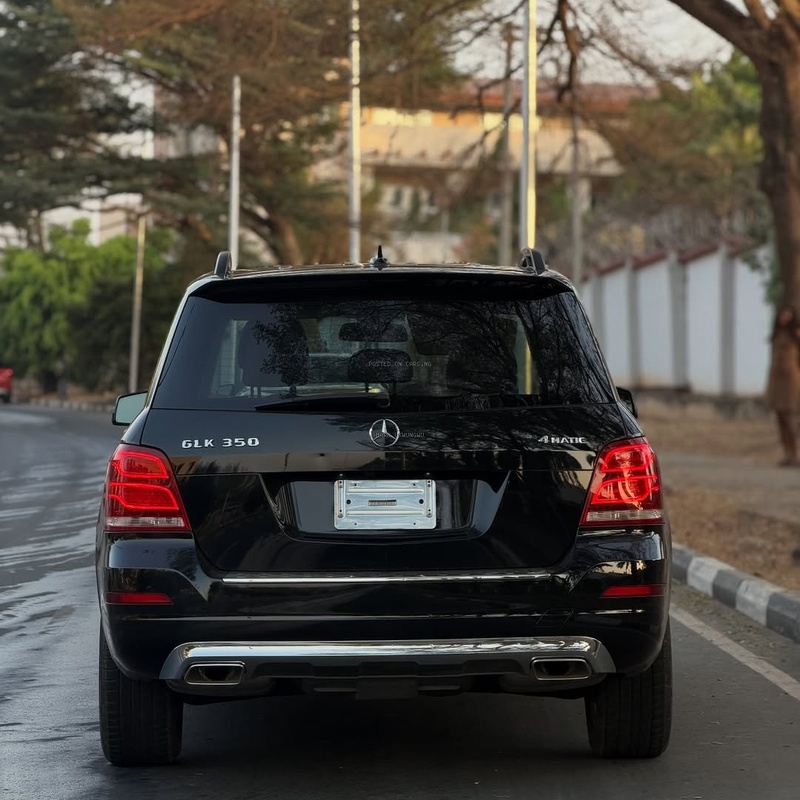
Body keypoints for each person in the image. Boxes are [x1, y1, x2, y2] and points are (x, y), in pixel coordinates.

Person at [764, 304, 800, 466]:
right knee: (780, 417)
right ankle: (787, 454)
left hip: (791, 380)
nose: (784, 317)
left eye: (787, 314)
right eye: (782, 314)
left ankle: (795, 454)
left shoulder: (795, 334)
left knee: (791, 416)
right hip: (776, 379)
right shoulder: (776, 334)